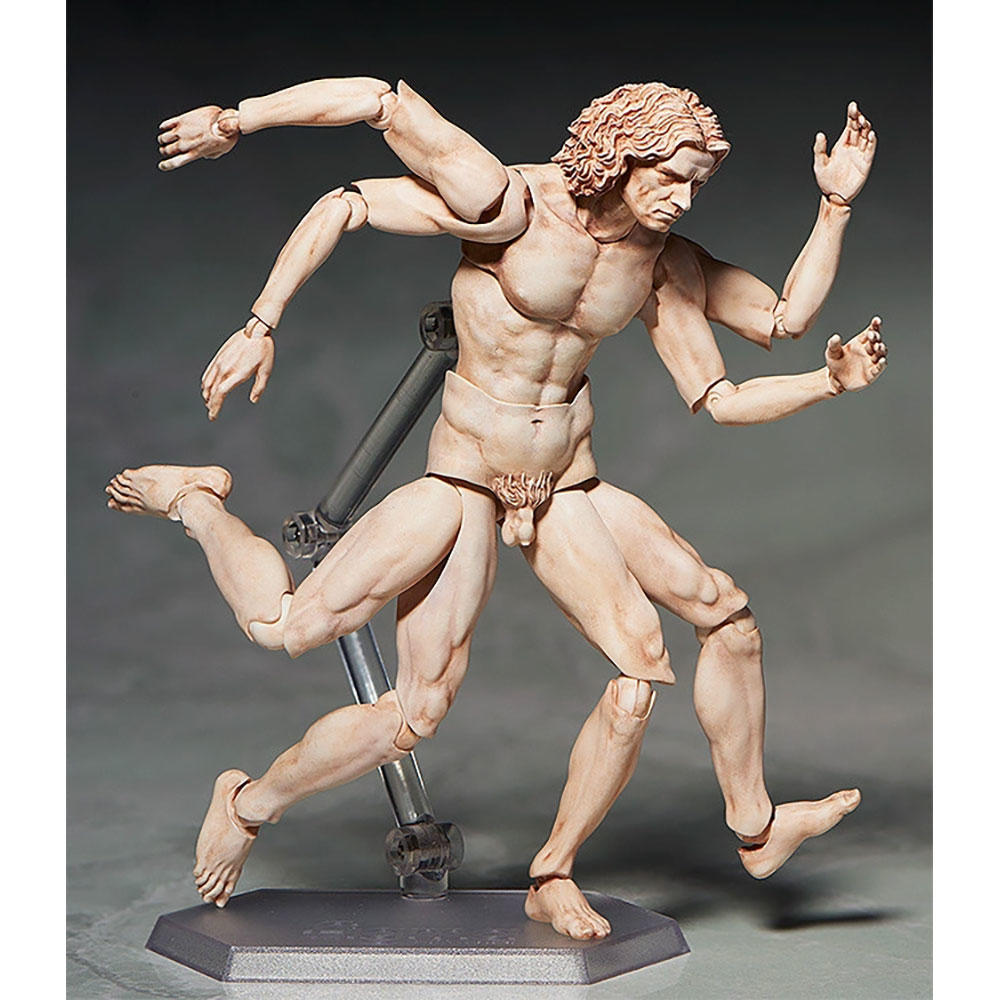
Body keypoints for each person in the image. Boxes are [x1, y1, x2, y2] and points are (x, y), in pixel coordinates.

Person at [107, 80, 885, 939]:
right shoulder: (509, 204)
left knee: (707, 628)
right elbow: (365, 147)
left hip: (567, 485)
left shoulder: (661, 261)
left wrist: (835, 216)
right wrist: (254, 262)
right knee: (319, 649)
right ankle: (201, 527)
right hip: (465, 484)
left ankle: (705, 839)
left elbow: (775, 330)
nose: (684, 199)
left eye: (697, 183)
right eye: (670, 177)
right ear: (619, 157)